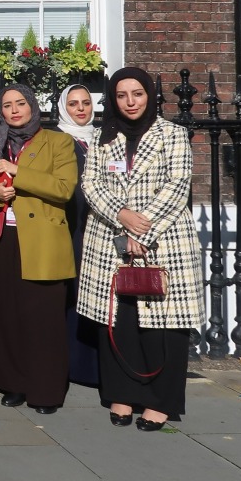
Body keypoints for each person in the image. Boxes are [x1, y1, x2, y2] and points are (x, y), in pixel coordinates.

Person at [78, 67, 204, 431]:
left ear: (149, 96)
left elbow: (178, 185)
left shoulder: (173, 135)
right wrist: (122, 216)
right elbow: (92, 184)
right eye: (121, 95)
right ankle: (122, 394)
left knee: (163, 323)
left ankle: (161, 402)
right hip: (110, 240)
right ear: (113, 100)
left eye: (137, 94)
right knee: (120, 320)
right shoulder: (104, 137)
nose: (130, 102)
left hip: (163, 241)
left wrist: (141, 229)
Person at [0, 83, 77, 414]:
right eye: (6, 105)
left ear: (33, 106)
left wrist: (17, 173)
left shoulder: (59, 141)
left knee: (42, 321)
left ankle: (46, 390)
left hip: (42, 243)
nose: (14, 110)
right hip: (1, 241)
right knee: (6, 317)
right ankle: (13, 383)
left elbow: (63, 189)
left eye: (20, 103)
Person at [58, 83, 101, 387]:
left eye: (85, 102)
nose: (81, 109)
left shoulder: (103, 139)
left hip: (99, 227)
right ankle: (73, 363)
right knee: (71, 295)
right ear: (63, 108)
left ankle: (96, 364)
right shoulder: (57, 141)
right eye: (73, 104)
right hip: (70, 226)